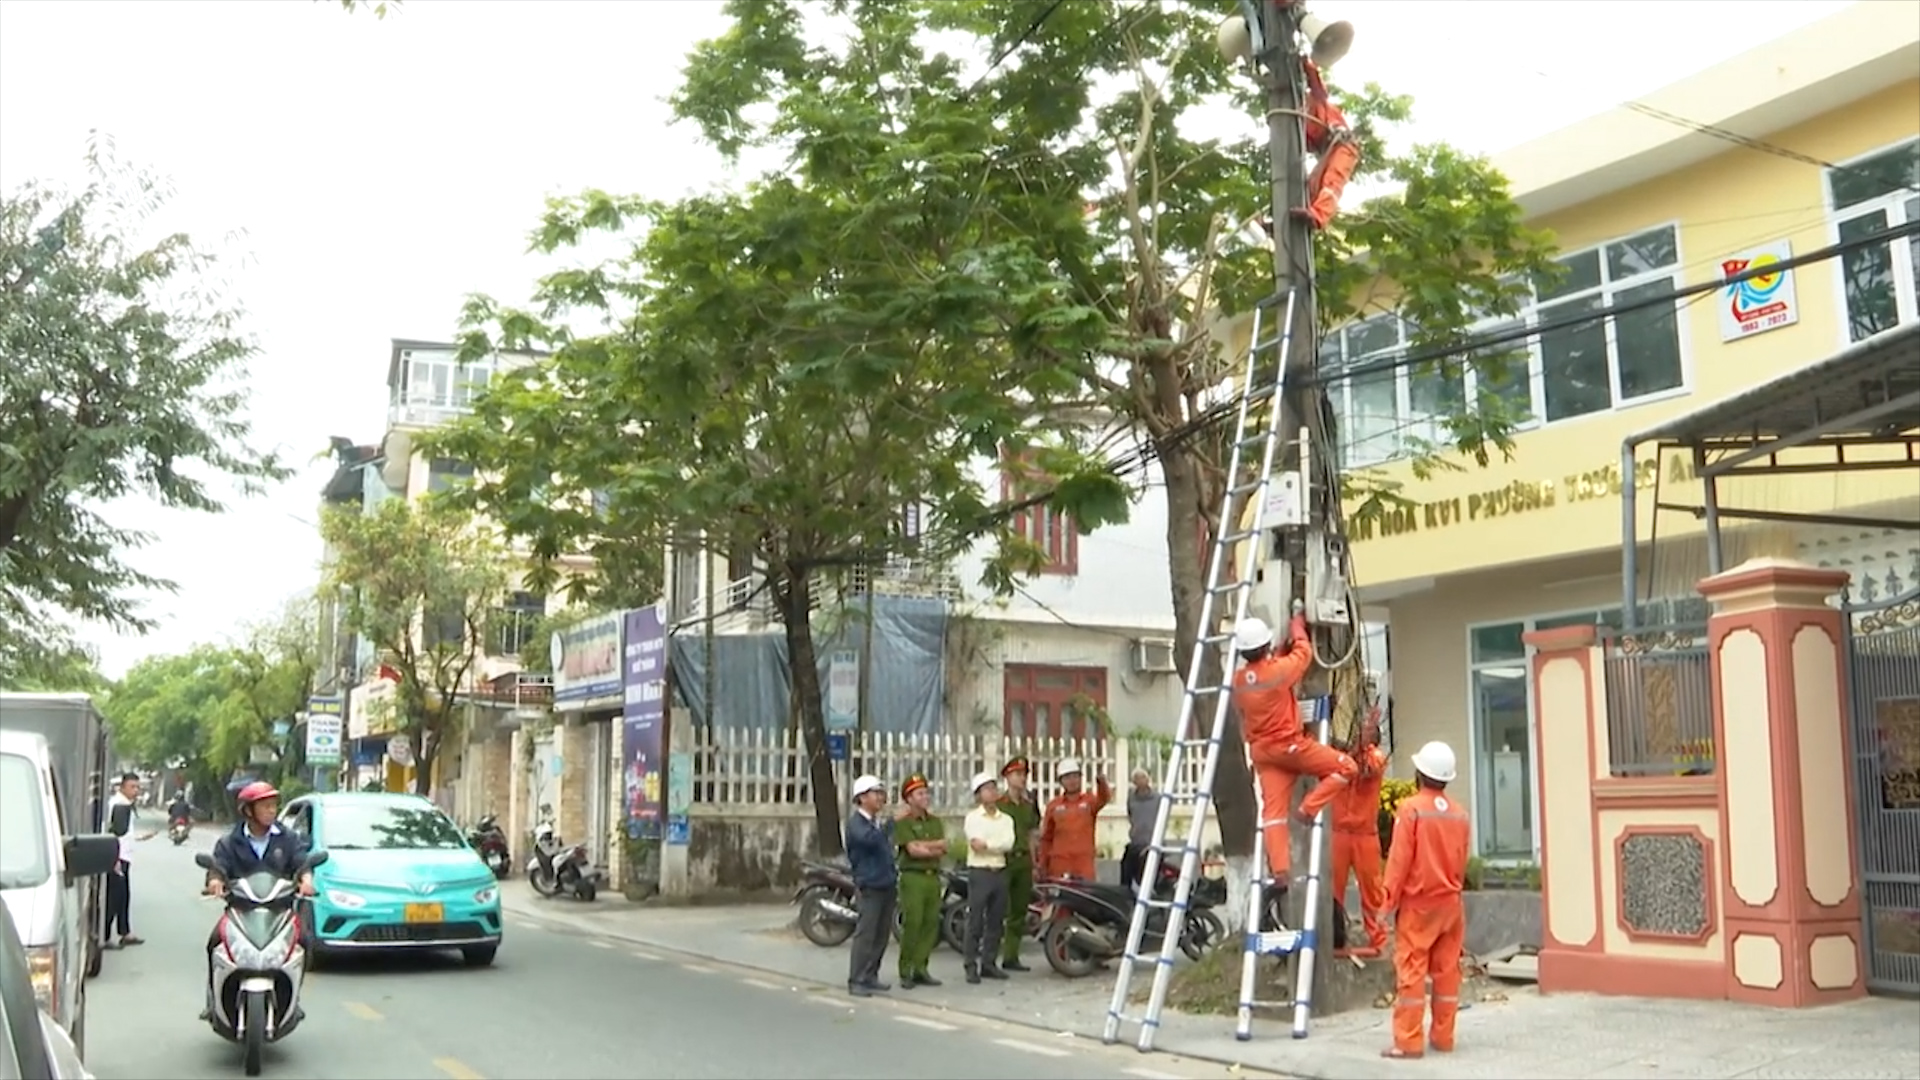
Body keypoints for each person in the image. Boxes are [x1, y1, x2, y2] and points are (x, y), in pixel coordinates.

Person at [1229, 610, 1357, 883]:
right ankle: (1308, 809)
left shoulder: (1238, 682)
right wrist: (1297, 626)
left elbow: (1265, 675)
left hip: (1264, 754)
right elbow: (1304, 653)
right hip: (1290, 747)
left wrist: (1275, 655)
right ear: (1265, 646)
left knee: (1273, 815)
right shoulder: (1278, 671)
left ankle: (1281, 870)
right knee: (1346, 767)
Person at [1381, 741, 1471, 1061]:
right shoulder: (1460, 814)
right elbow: (1461, 860)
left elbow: (1399, 861)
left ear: (1420, 773)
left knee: (1412, 971)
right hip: (1451, 904)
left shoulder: (1411, 809)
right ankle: (1444, 1037)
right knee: (1447, 972)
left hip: (1419, 906)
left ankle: (1408, 1042)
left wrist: (1386, 902)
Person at [200, 782, 315, 1021]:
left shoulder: (287, 838)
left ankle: (294, 1000)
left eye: (274, 806)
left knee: (304, 941)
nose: (272, 811)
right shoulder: (230, 841)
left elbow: (301, 864)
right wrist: (215, 881)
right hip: (241, 910)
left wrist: (306, 880)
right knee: (214, 943)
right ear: (248, 811)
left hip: (280, 911)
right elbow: (218, 867)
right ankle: (213, 1000)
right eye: (265, 806)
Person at [1331, 705, 1390, 958]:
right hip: (1339, 833)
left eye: (1366, 730)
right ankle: (1334, 938)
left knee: (1372, 892)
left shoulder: (1375, 757)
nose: (1360, 733)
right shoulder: (1340, 755)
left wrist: (1361, 745)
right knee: (1333, 891)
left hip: (1365, 834)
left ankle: (1378, 939)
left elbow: (1367, 769)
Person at [842, 774, 897, 998]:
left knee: (881, 934)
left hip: (886, 883)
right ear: (862, 797)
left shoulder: (875, 823)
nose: (880, 798)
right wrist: (891, 825)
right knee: (866, 934)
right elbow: (870, 841)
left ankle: (871, 975)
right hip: (870, 885)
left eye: (881, 793)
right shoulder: (857, 824)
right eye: (876, 794)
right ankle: (856, 979)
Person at [893, 773, 948, 989]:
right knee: (913, 923)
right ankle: (905, 969)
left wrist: (929, 847)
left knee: (930, 924)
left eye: (926, 792)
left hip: (933, 877)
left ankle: (921, 968)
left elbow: (944, 847)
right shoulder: (903, 823)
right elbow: (913, 850)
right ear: (909, 798)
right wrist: (931, 847)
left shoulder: (934, 821)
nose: (925, 797)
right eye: (919, 793)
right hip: (913, 877)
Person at [962, 771, 1014, 984]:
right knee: (975, 920)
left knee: (996, 920)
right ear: (978, 795)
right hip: (980, 871)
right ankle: (970, 965)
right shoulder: (972, 818)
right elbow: (976, 844)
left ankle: (989, 963)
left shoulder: (1006, 819)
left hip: (999, 871)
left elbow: (1008, 843)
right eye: (986, 789)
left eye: (994, 788)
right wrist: (994, 846)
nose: (992, 793)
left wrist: (989, 845)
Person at [995, 757, 1041, 972]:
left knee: (1019, 910)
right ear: (1007, 777)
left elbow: (1032, 834)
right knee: (997, 909)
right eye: (1017, 775)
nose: (1022, 779)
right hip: (1004, 860)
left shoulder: (1028, 805)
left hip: (1022, 861)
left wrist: (1035, 862)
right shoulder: (998, 805)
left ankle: (1011, 956)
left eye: (1024, 775)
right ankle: (989, 957)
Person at [103, 773, 157, 949]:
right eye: (132, 787)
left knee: (123, 897)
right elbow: (112, 833)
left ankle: (125, 932)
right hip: (117, 858)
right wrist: (113, 858)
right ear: (122, 787)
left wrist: (141, 837)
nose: (136, 791)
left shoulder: (126, 805)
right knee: (113, 898)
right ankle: (104, 936)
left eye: (137, 787)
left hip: (125, 856)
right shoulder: (117, 805)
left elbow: (126, 834)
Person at [1037, 758, 1110, 883]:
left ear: (1081, 778)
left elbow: (1103, 798)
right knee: (1061, 900)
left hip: (1083, 864)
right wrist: (1042, 865)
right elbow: (1046, 838)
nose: (1072, 781)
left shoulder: (1089, 801)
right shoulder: (1053, 806)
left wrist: (1101, 782)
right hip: (1059, 864)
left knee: (1084, 898)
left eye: (1075, 776)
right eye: (1067, 777)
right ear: (1061, 781)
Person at [1121, 769, 1157, 893]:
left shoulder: (1158, 798)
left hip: (1153, 843)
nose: (1140, 781)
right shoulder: (1131, 798)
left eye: (1142, 777)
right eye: (1137, 778)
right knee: (1126, 869)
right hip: (1136, 842)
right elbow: (1130, 815)